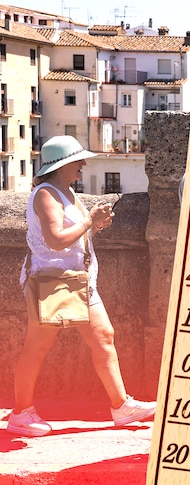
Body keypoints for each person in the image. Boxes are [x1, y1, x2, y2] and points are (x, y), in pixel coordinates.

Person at [9, 135, 156, 437]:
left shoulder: (65, 192)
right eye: (78, 161)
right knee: (36, 348)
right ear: (62, 164)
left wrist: (96, 224)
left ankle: (121, 406)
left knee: (104, 337)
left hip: (77, 280)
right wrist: (90, 221)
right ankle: (20, 414)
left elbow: (71, 237)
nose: (83, 166)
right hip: (54, 282)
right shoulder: (46, 195)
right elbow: (55, 240)